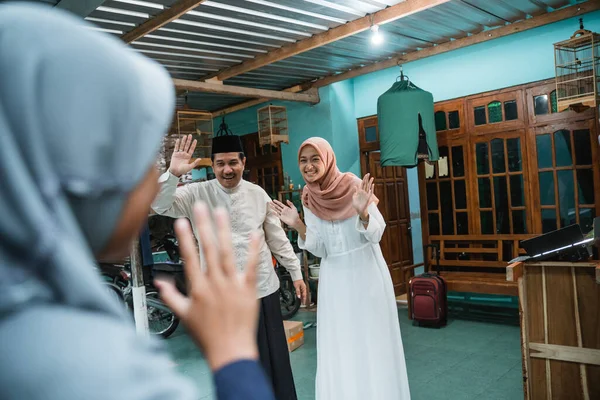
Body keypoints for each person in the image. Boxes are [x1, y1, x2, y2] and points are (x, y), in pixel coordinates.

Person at [0, 3, 273, 399]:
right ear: (82, 177)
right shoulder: (89, 368)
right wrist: (232, 354)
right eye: (139, 159)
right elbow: (164, 203)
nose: (147, 183)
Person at [152, 128, 306, 399]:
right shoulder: (195, 193)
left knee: (274, 364)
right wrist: (173, 173)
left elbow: (277, 238)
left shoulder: (258, 194)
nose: (227, 169)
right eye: (220, 163)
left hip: (262, 291)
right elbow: (159, 205)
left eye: (233, 162)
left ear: (243, 163)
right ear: (213, 165)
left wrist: (295, 272)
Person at [271, 137, 411, 400]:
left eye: (315, 159)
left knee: (371, 342)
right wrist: (299, 225)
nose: (309, 166)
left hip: (365, 273)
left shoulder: (354, 185)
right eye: (303, 160)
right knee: (341, 345)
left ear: (327, 158)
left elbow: (377, 234)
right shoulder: (308, 197)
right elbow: (322, 248)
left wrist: (363, 212)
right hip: (334, 278)